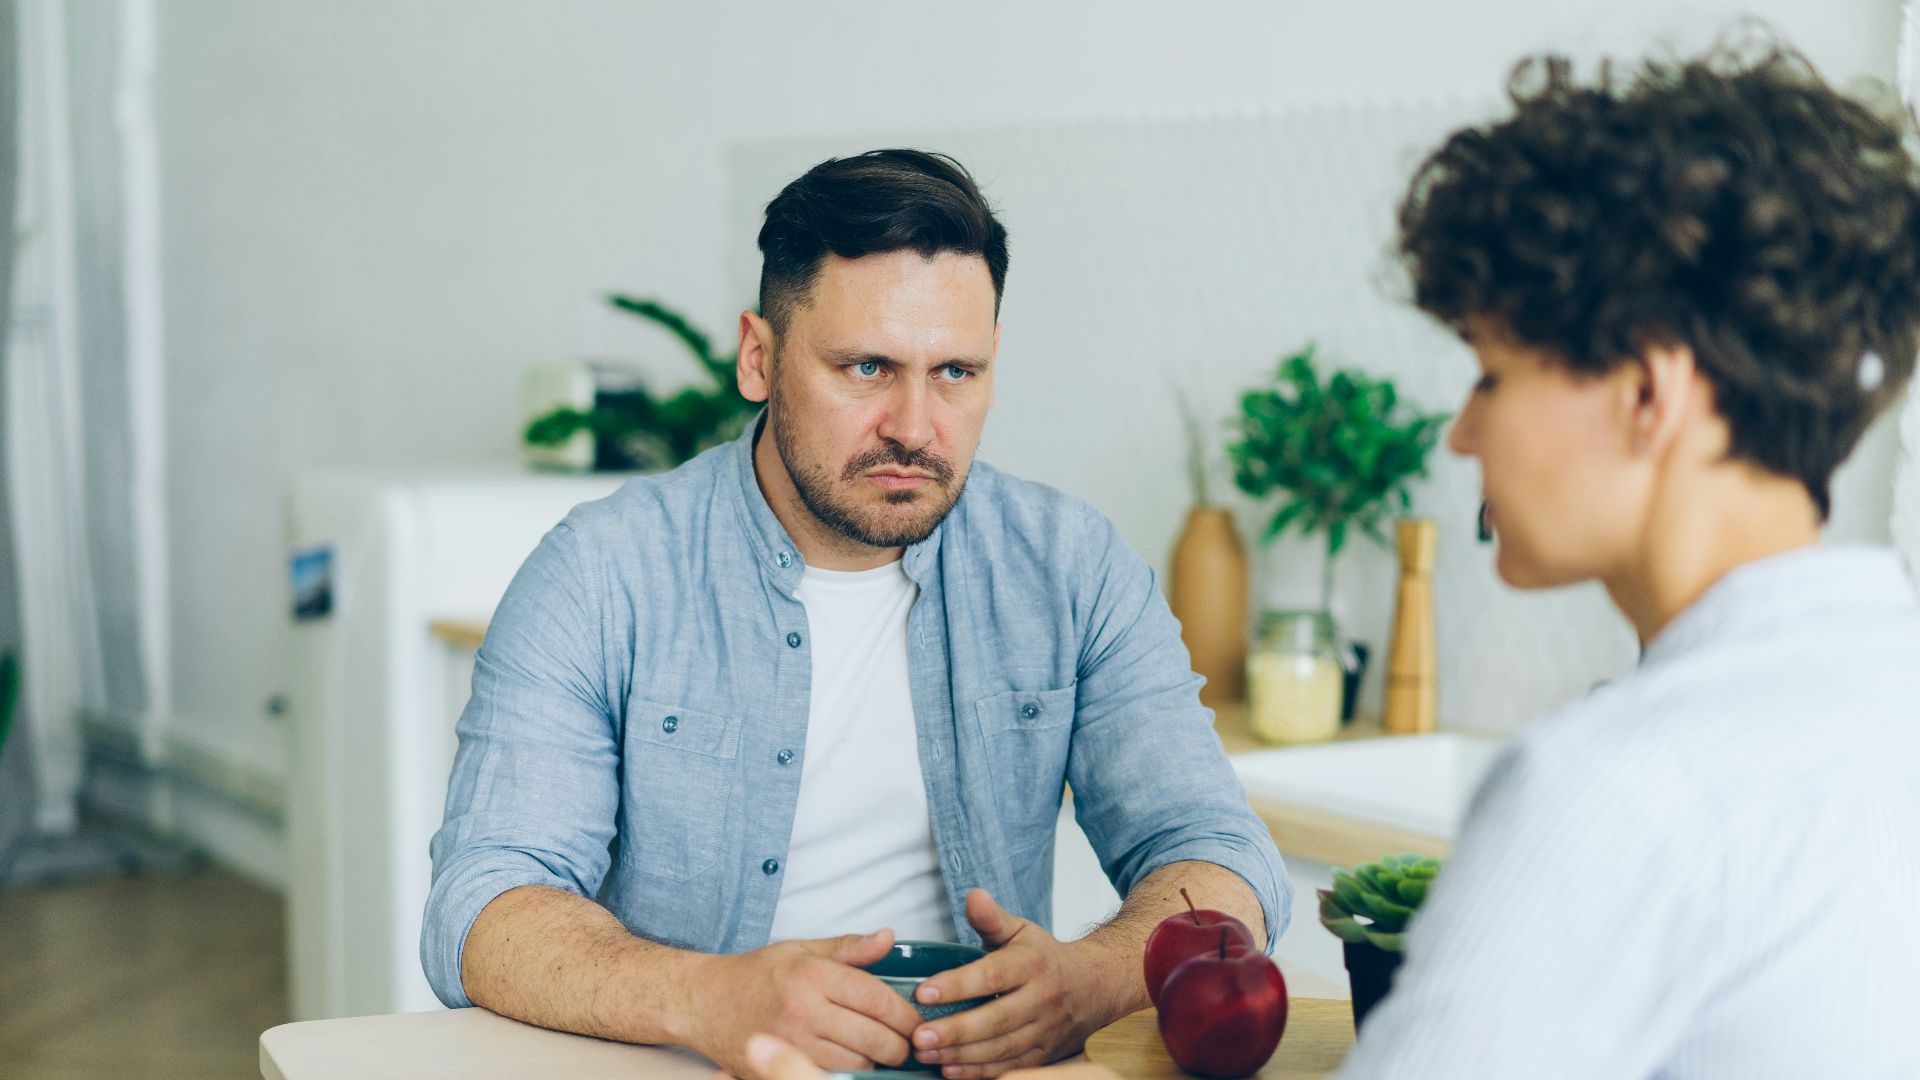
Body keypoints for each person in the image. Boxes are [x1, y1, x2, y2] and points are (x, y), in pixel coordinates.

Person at [739, 36, 1920, 1080]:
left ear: (1648, 397)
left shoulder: (1619, 790)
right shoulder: (1885, 687)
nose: (1463, 432)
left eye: (1493, 375)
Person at [421, 148, 1290, 1080]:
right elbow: (484, 904)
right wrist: (704, 996)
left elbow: (1218, 856)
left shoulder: (1071, 568)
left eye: (955, 371)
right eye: (868, 366)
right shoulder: (601, 574)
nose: (915, 426)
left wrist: (1095, 977)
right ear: (759, 358)